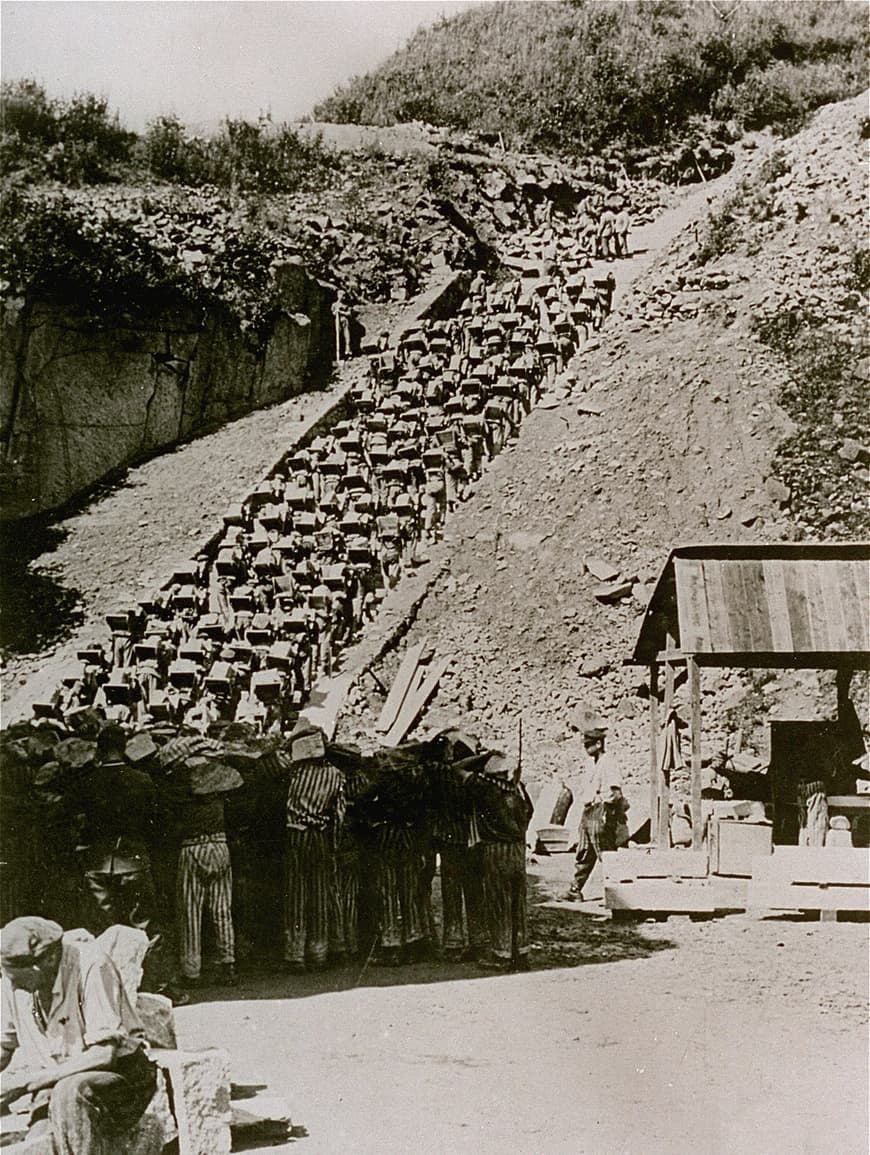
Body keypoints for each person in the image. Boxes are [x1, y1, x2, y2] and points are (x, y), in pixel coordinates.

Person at [0, 916, 157, 1155]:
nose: (10, 986)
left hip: (120, 1080)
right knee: (38, 1143)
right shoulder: (14, 980)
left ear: (47, 961)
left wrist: (28, 1082)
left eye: (15, 978)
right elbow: (3, 1044)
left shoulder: (92, 965)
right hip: (54, 1085)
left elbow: (104, 1055)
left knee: (69, 1093)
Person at [72, 723, 170, 992]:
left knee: (104, 929)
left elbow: (69, 819)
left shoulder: (86, 782)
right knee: (145, 926)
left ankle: (107, 989)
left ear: (100, 749)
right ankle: (155, 986)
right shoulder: (141, 780)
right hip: (133, 858)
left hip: (97, 863)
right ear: (124, 747)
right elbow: (158, 822)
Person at [457, 752, 533, 972]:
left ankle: (501, 954)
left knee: (499, 902)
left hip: (496, 848)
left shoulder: (484, 788)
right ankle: (521, 953)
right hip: (518, 849)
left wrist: (483, 757)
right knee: (518, 903)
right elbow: (531, 812)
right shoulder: (519, 790)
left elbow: (456, 769)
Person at [280, 726, 345, 972]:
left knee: (296, 896)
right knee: (319, 895)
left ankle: (295, 954)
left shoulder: (292, 776)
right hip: (320, 838)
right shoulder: (335, 775)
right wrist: (334, 845)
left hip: (295, 835)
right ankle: (319, 952)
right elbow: (339, 815)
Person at [564, 715, 626, 900]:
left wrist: (607, 813)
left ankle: (619, 893)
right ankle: (575, 890)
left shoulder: (609, 763)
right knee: (584, 852)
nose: (586, 748)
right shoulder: (589, 764)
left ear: (599, 744)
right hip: (588, 811)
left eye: (588, 745)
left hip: (601, 812)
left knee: (605, 854)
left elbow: (616, 793)